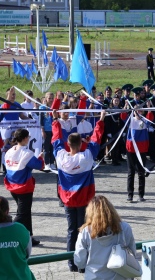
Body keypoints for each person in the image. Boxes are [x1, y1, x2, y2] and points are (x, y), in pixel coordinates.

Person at [52, 109, 106, 272]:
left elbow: (56, 141)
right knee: (84, 231)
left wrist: (55, 120)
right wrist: (101, 119)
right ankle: (82, 264)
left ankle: (72, 263)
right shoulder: (87, 157)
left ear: (68, 145)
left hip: (68, 201)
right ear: (81, 144)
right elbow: (96, 140)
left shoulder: (61, 157)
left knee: (71, 231)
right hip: (84, 201)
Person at [74, 195, 136, 278]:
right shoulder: (125, 228)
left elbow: (80, 262)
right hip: (120, 276)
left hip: (94, 276)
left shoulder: (85, 232)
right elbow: (132, 254)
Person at [4, 128, 44, 247]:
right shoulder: (27, 153)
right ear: (25, 138)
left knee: (26, 212)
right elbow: (40, 166)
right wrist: (41, 157)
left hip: (12, 185)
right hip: (24, 187)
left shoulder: (9, 151)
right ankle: (4, 232)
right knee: (22, 214)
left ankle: (29, 237)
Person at [121, 99, 153, 202]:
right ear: (134, 111)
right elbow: (122, 117)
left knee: (141, 172)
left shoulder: (144, 121)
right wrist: (126, 106)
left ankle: (141, 195)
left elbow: (150, 119)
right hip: (131, 149)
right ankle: (130, 195)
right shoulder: (131, 120)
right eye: (137, 111)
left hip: (142, 149)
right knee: (131, 172)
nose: (139, 113)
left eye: (141, 111)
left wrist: (149, 109)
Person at [106, 96, 125, 166]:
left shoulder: (121, 109)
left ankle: (116, 159)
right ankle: (113, 160)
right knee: (113, 146)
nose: (116, 102)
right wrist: (108, 132)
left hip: (119, 130)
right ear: (112, 101)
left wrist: (124, 131)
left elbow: (123, 121)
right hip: (112, 131)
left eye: (118, 100)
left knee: (118, 145)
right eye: (115, 100)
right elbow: (107, 122)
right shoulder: (110, 110)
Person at [40, 92, 55, 171]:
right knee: (46, 148)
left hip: (54, 131)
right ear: (46, 98)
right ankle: (46, 164)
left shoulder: (55, 107)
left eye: (52, 98)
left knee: (53, 147)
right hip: (46, 130)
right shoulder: (42, 108)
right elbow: (41, 120)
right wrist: (42, 131)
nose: (51, 100)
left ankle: (52, 163)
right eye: (49, 98)